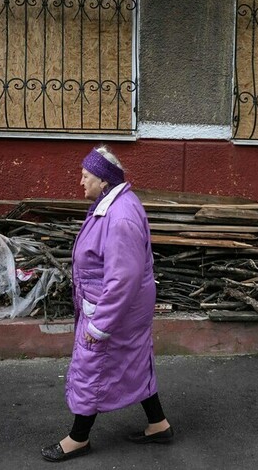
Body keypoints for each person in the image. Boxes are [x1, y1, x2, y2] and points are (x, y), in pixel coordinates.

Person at [41, 145, 173, 463]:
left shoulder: (120, 217)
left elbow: (123, 278)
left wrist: (100, 326)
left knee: (92, 367)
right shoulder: (113, 205)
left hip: (113, 310)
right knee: (135, 361)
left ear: (103, 181)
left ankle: (79, 438)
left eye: (85, 177)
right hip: (124, 308)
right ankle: (159, 425)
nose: (80, 182)